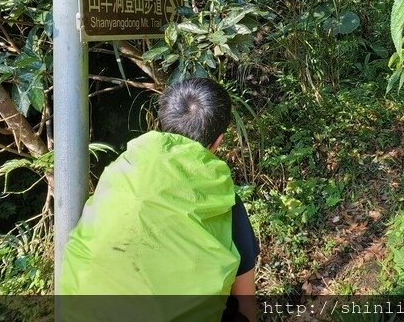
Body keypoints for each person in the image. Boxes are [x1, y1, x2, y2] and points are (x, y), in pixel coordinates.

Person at [58, 78, 258, 322]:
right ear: (218, 140)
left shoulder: (122, 170)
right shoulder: (222, 199)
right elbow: (244, 301)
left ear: (160, 122)